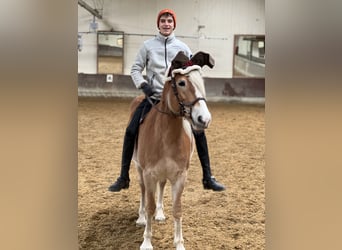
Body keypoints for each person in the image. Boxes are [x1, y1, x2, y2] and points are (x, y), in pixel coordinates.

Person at [108, 8, 225, 192]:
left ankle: (208, 177)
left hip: (177, 101)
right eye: (163, 20)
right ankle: (123, 176)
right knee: (131, 130)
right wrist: (143, 85)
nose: (166, 24)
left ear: (174, 24)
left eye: (169, 21)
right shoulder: (147, 46)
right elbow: (135, 70)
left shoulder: (183, 47)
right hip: (154, 98)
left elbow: (191, 72)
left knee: (199, 130)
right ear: (158, 24)